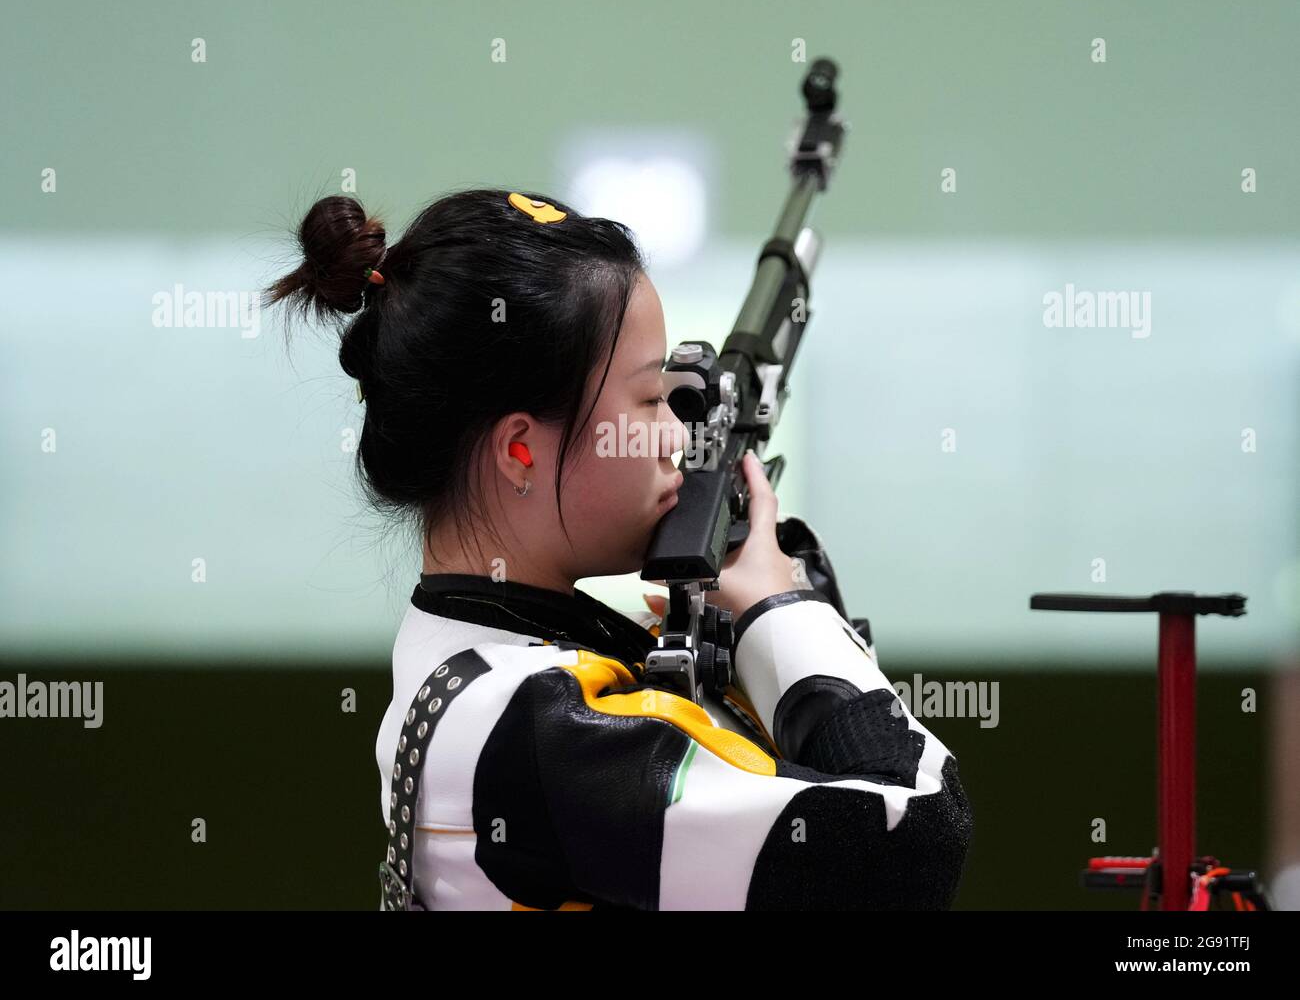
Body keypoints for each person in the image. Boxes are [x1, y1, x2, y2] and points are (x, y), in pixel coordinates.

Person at [265, 188, 973, 910]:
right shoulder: (523, 723)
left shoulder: (489, 664)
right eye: (647, 401)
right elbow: (913, 838)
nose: (675, 435)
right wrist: (777, 606)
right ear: (518, 449)